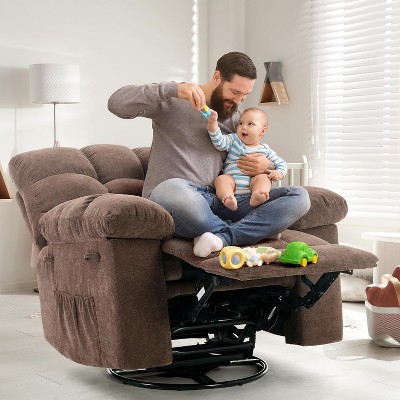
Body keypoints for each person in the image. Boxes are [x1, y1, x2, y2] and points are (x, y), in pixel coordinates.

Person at [108, 52, 310, 257]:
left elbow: (253, 152)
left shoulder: (236, 119)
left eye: (245, 95)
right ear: (217, 77)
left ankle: (222, 238)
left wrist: (266, 166)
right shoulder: (172, 100)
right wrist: (173, 89)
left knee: (299, 196)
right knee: (172, 188)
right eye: (235, 92)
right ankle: (251, 231)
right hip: (178, 198)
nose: (238, 101)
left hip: (221, 199)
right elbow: (116, 104)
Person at [206, 107, 287, 212]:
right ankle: (227, 198)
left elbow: (281, 163)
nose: (243, 127)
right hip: (232, 183)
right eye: (241, 123)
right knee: (221, 179)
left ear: (262, 131)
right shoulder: (234, 140)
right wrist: (213, 124)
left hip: (252, 186)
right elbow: (219, 142)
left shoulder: (265, 150)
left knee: (264, 178)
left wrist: (279, 173)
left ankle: (258, 194)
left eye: (250, 124)